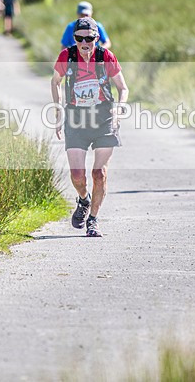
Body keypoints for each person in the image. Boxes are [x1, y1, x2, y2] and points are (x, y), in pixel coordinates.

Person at [51, 17, 129, 237]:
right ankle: (83, 200)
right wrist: (58, 112)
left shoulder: (106, 56)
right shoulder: (67, 56)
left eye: (89, 38)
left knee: (99, 173)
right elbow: (54, 81)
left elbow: (123, 88)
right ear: (74, 38)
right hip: (76, 118)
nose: (84, 42)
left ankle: (93, 220)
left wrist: (119, 109)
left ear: (97, 38)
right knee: (77, 175)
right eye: (79, 38)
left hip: (104, 118)